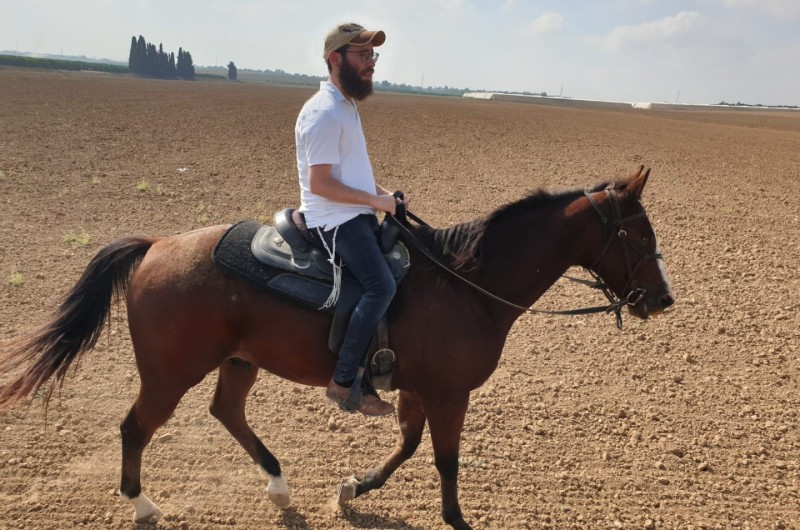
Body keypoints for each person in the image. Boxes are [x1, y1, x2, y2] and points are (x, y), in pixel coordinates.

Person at [295, 22, 402, 416]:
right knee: (381, 286)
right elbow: (321, 183)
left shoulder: (345, 106)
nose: (370, 63)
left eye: (372, 54)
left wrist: (381, 195)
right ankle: (344, 382)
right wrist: (374, 201)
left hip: (352, 212)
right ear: (334, 59)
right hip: (334, 220)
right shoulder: (324, 114)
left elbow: (348, 173)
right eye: (362, 55)